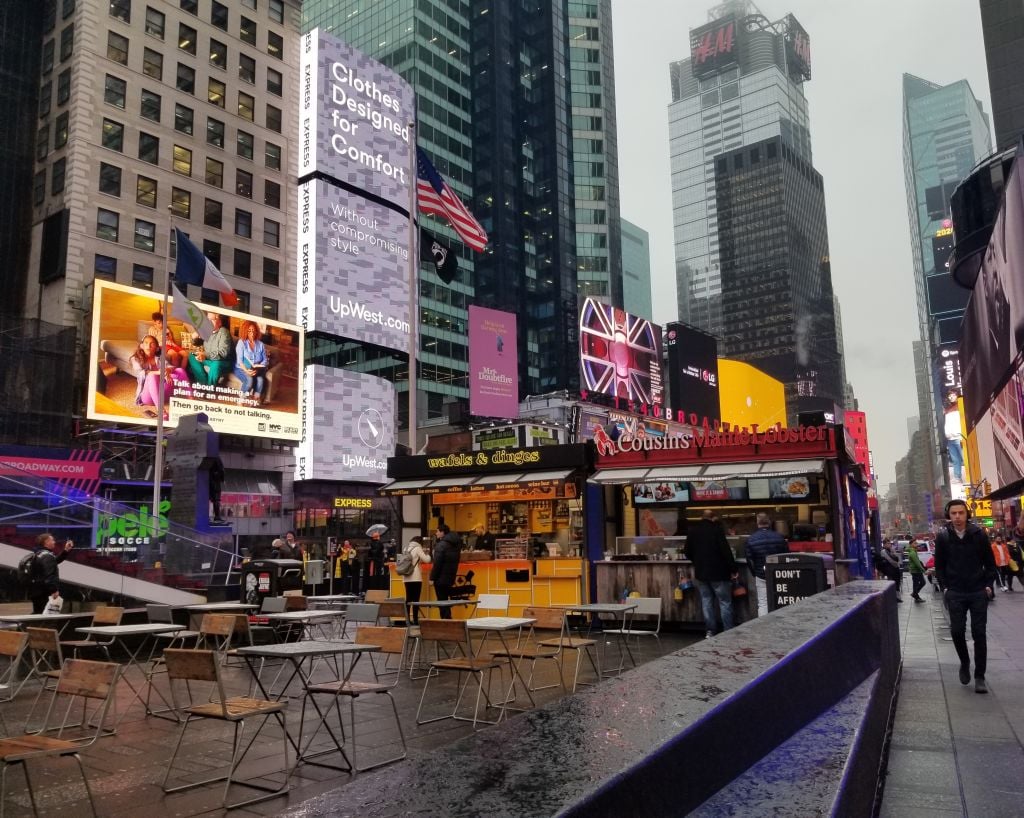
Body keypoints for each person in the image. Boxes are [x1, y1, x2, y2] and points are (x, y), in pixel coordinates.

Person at [934, 499, 998, 693]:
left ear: (967, 514)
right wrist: (945, 588)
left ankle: (980, 676)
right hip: (955, 592)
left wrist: (988, 586)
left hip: (978, 591)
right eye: (953, 513)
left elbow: (990, 563)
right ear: (949, 515)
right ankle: (964, 662)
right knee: (956, 631)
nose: (957, 517)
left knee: (979, 633)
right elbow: (940, 566)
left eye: (961, 513)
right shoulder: (943, 537)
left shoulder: (978, 535)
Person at [684, 510, 738, 637]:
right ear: (713, 518)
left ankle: (710, 631)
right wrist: (733, 569)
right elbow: (725, 551)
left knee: (706, 601)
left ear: (702, 517)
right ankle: (728, 631)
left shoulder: (693, 530)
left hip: (702, 573)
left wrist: (697, 561)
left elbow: (686, 551)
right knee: (724, 602)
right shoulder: (717, 529)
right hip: (719, 572)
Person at [130, 335, 189, 419]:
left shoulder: (160, 359)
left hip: (163, 395)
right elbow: (140, 373)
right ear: (141, 346)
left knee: (179, 370)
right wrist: (158, 372)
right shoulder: (135, 359)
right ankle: (161, 411)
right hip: (148, 398)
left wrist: (168, 370)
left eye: (152, 344)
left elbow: (170, 366)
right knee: (152, 375)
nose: (148, 346)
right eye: (146, 343)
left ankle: (191, 399)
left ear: (157, 348)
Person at [744, 512, 789, 616]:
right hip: (779, 574)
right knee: (780, 599)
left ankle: (763, 629)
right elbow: (787, 556)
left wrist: (755, 573)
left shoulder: (751, 540)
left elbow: (749, 560)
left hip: (761, 575)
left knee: (763, 603)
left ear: (757, 522)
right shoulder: (779, 537)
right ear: (769, 522)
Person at [28, 533, 74, 614]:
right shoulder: (47, 556)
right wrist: (54, 590)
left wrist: (66, 550)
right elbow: (49, 574)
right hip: (44, 593)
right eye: (52, 540)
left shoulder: (39, 554)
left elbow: (54, 561)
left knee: (38, 614)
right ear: (46, 542)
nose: (54, 542)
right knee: (43, 618)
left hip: (36, 592)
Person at [187, 313, 233, 386]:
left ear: (219, 322)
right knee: (192, 356)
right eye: (208, 319)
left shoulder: (224, 332)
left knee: (216, 364)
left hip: (223, 362)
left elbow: (223, 353)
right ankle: (204, 385)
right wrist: (194, 338)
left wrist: (205, 355)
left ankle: (210, 390)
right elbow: (197, 343)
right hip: (210, 359)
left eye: (212, 320)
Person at [233, 320, 269, 404]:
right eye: (249, 331)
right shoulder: (241, 343)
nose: (252, 333)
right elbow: (240, 361)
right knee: (249, 380)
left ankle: (255, 399)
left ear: (256, 331)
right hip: (241, 369)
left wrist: (259, 367)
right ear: (245, 331)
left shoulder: (260, 344)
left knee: (260, 380)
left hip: (255, 369)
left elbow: (264, 360)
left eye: (253, 330)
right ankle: (241, 400)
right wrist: (246, 370)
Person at [430, 524, 462, 618]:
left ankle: (446, 622)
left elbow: (437, 564)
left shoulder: (441, 545)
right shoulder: (455, 545)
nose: (436, 533)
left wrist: (432, 577)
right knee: (446, 601)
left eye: (437, 531)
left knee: (442, 601)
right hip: (450, 577)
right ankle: (448, 621)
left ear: (442, 532)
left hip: (440, 578)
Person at [401, 535, 432, 625]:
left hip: (406, 577)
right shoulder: (418, 548)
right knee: (415, 600)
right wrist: (427, 554)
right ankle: (415, 619)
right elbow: (427, 560)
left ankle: (407, 619)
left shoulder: (406, 548)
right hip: (415, 577)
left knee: (408, 599)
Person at [208, 456, 225, 523]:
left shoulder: (207, 457)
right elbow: (222, 470)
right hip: (215, 482)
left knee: (210, 499)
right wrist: (222, 479)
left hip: (207, 481)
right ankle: (217, 516)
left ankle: (207, 516)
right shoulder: (216, 458)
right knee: (216, 500)